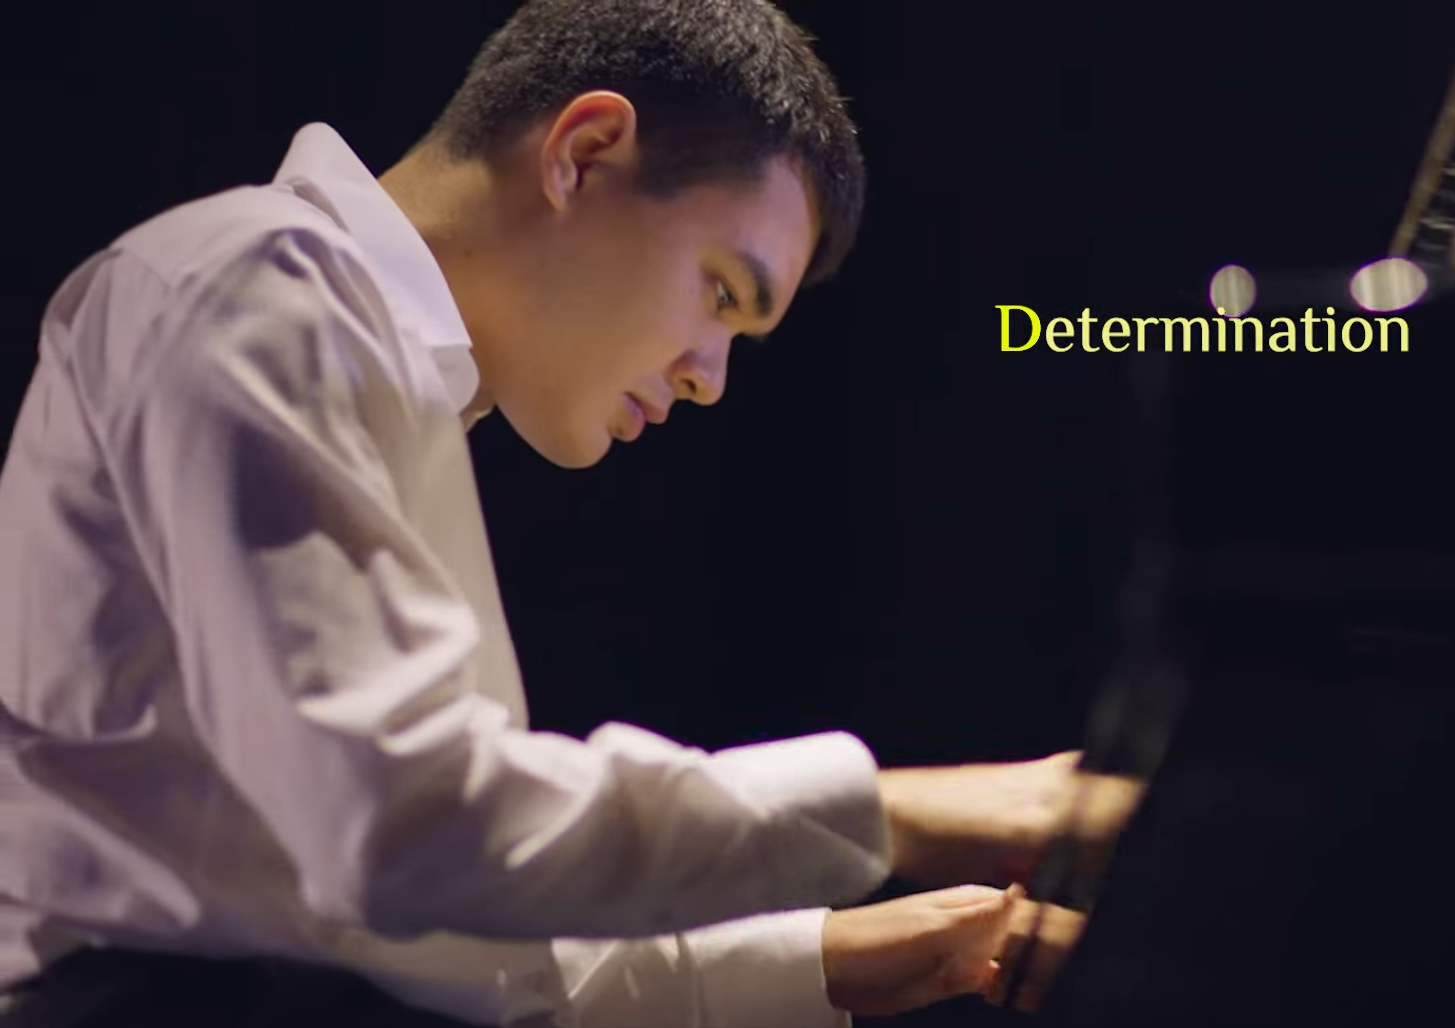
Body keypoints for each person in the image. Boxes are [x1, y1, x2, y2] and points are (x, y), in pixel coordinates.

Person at [0, 1, 1078, 1025]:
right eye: (721, 293)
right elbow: (400, 830)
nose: (710, 377)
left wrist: (829, 953)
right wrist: (903, 811)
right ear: (585, 152)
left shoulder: (368, 360)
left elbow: (447, 943)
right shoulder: (259, 283)